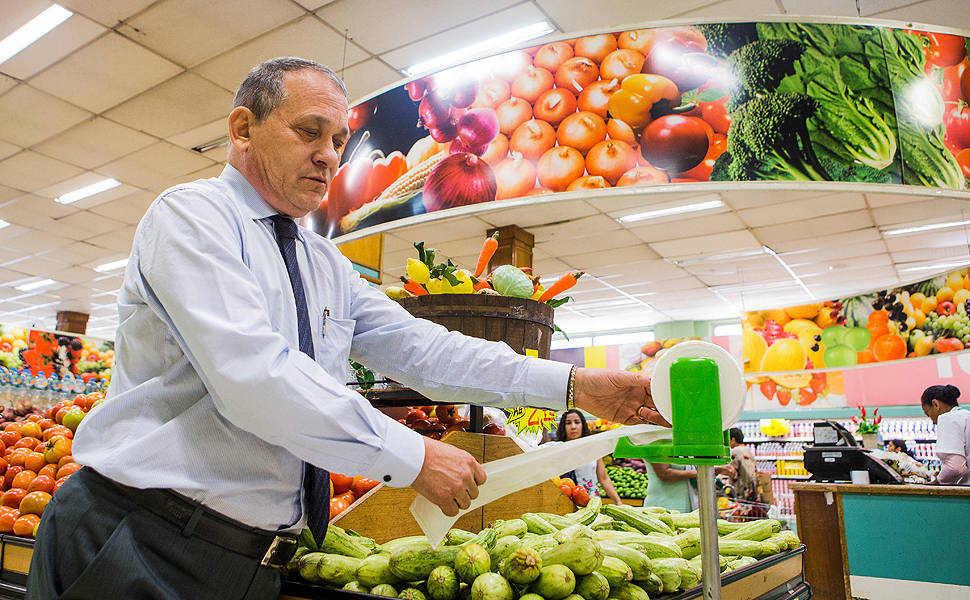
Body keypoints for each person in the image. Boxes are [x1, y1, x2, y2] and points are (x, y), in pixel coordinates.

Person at [26, 57, 667, 600]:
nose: (328, 156)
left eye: (338, 140)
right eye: (309, 132)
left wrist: (577, 386)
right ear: (242, 129)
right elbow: (255, 376)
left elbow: (424, 348)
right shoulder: (192, 220)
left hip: (251, 562)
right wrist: (409, 454)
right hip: (138, 541)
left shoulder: (321, 261)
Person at [557, 409, 623, 505]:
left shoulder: (592, 449)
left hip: (590, 503)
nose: (573, 426)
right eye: (568, 423)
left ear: (583, 425)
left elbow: (603, 478)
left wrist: (618, 501)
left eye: (577, 422)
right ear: (563, 427)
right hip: (564, 504)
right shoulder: (557, 449)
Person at [644, 453, 735, 512]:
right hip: (664, 507)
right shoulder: (654, 439)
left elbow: (689, 467)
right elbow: (664, 473)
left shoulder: (678, 439)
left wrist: (715, 469)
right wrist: (700, 473)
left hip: (687, 508)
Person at [921, 385, 970, 485]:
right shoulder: (966, 415)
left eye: (928, 414)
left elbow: (955, 467)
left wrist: (939, 480)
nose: (933, 422)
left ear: (936, 404)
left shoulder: (947, 418)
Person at [728, 427, 758, 501]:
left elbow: (731, 471)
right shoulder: (748, 450)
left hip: (740, 491)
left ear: (733, 440)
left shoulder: (736, 451)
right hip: (750, 490)